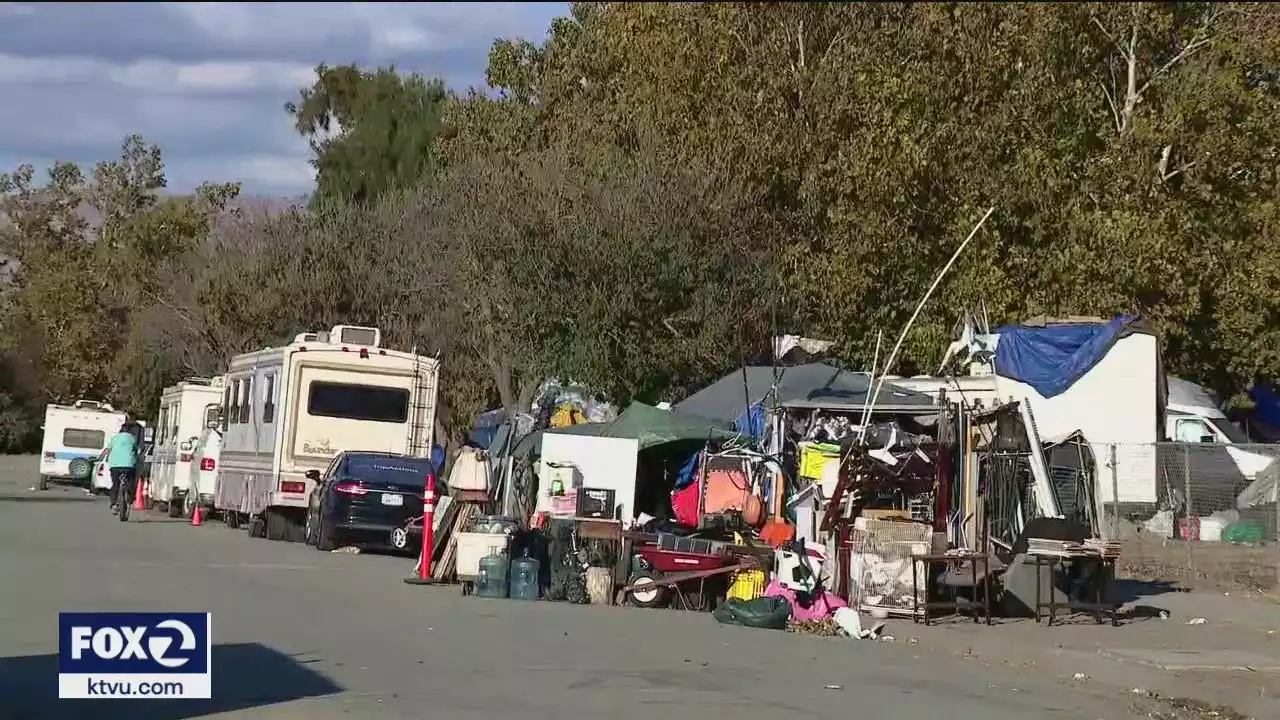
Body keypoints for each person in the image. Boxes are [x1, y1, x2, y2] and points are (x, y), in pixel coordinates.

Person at [103, 416, 140, 514]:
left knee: (115, 484)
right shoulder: (132, 438)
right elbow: (135, 449)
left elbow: (108, 449)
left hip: (114, 464)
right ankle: (130, 497)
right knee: (131, 480)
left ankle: (114, 504)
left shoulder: (114, 438)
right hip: (129, 465)